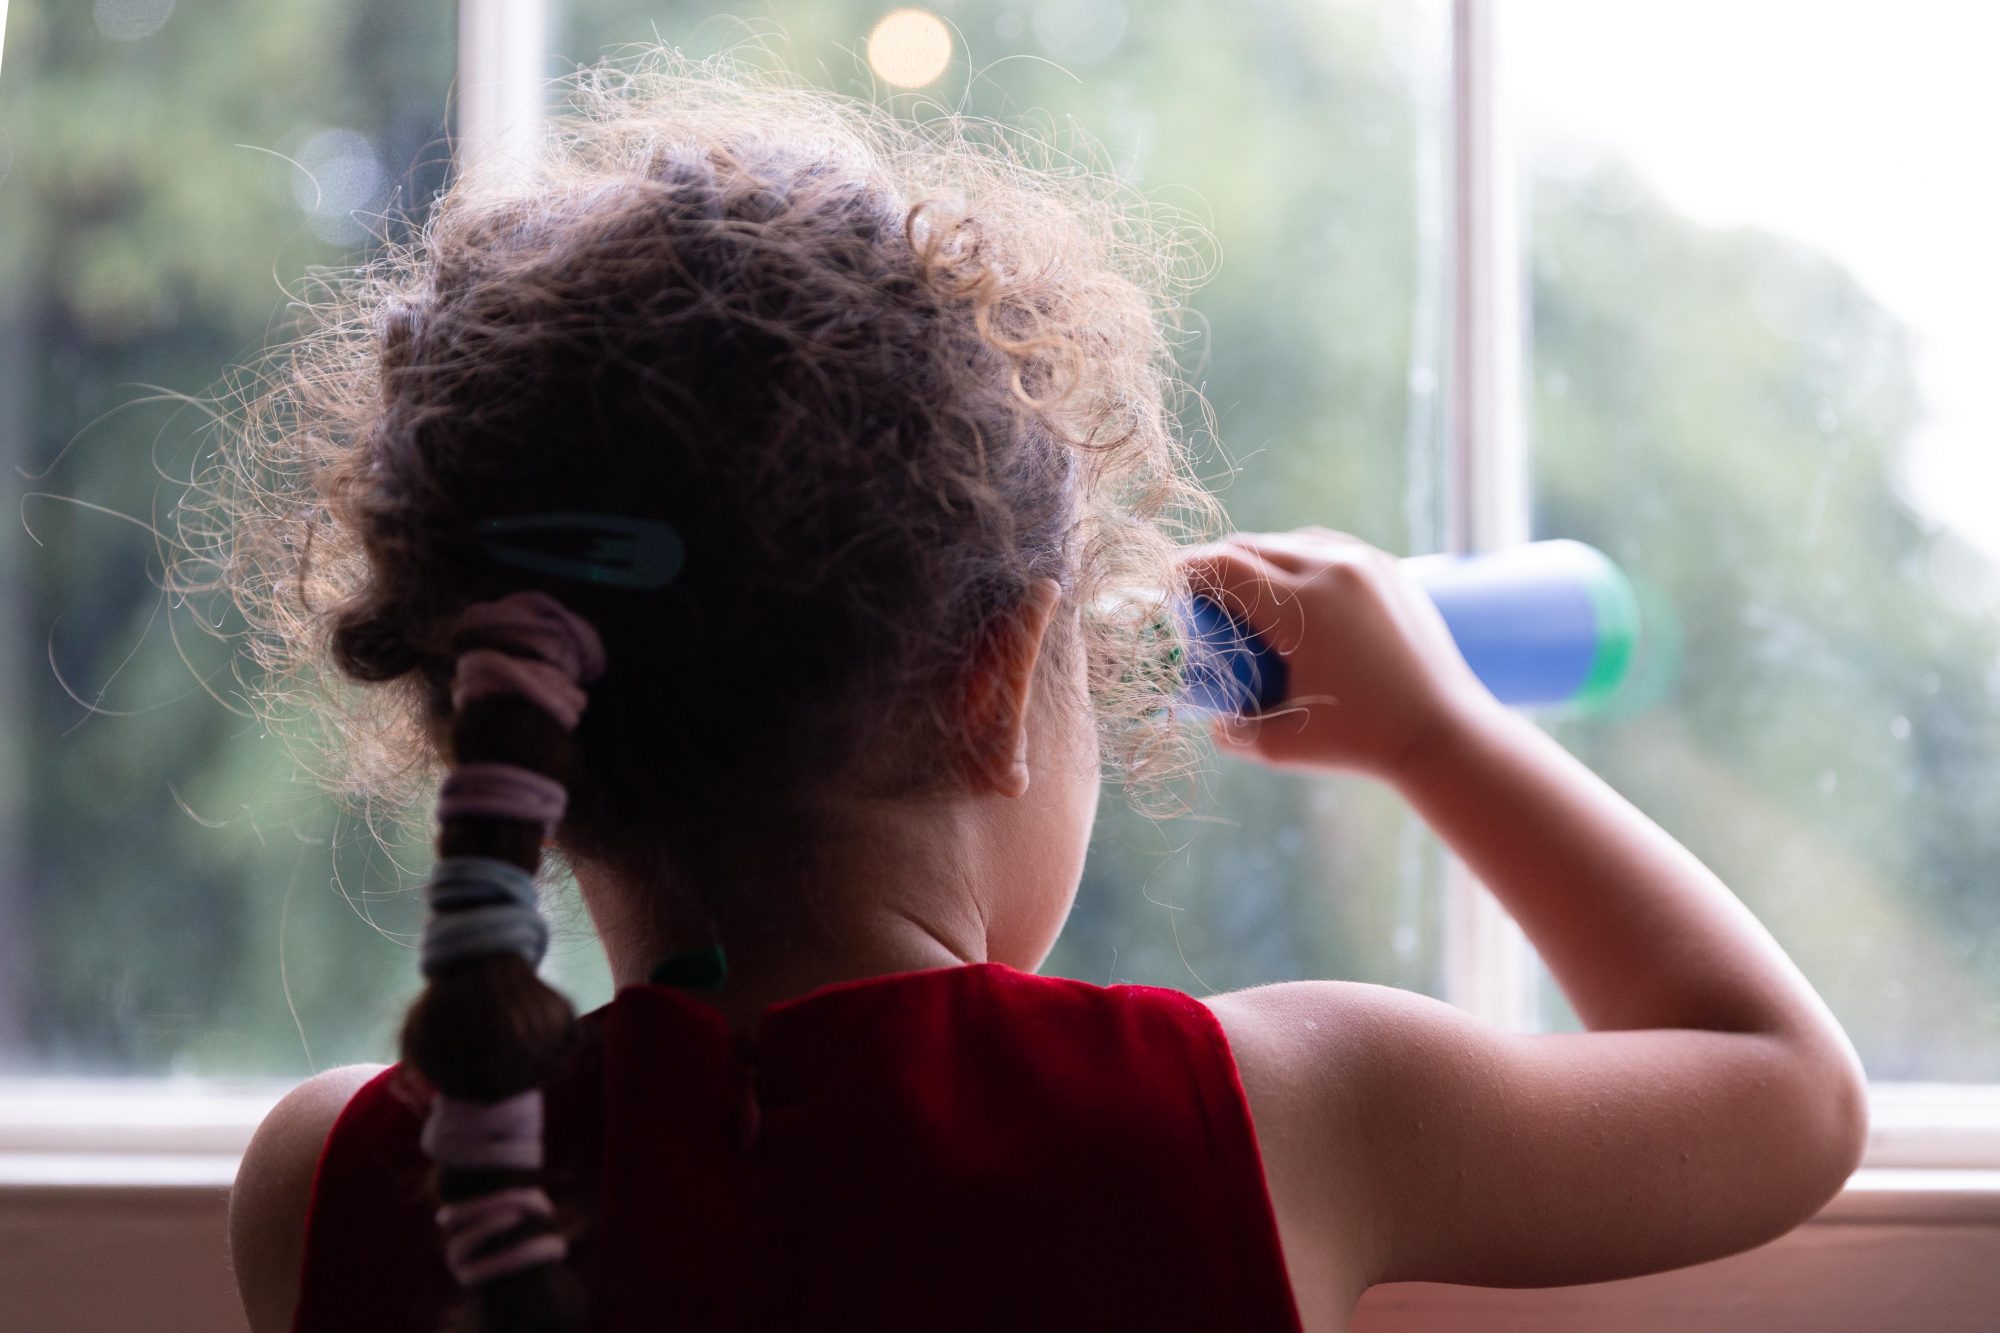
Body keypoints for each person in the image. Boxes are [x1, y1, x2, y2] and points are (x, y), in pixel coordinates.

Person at [221, 57, 1867, 1333]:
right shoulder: (1263, 1111)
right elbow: (1781, 1088)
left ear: (512, 717)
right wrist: (1439, 735)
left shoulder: (328, 1181)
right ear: (996, 681)